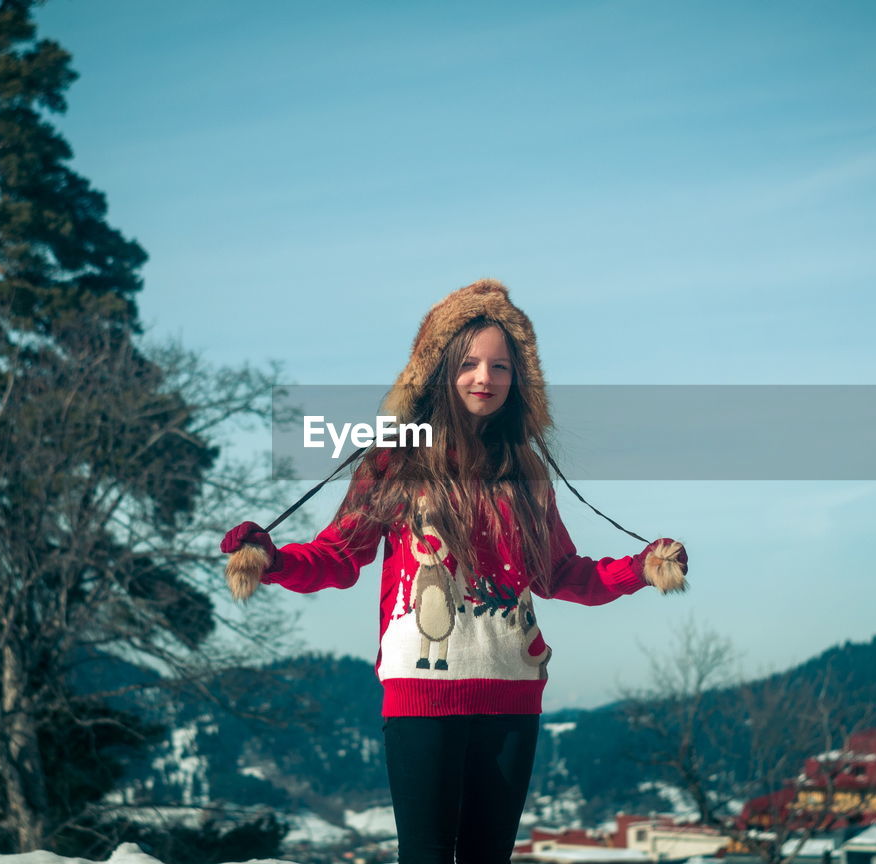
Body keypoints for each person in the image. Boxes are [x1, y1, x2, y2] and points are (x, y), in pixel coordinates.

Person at [220, 278, 688, 864]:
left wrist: (641, 569)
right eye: (468, 363)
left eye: (499, 366)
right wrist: (273, 559)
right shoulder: (393, 461)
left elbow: (560, 572)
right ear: (438, 370)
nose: (483, 379)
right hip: (422, 693)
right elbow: (341, 556)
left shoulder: (527, 471)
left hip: (514, 694)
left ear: (519, 379)